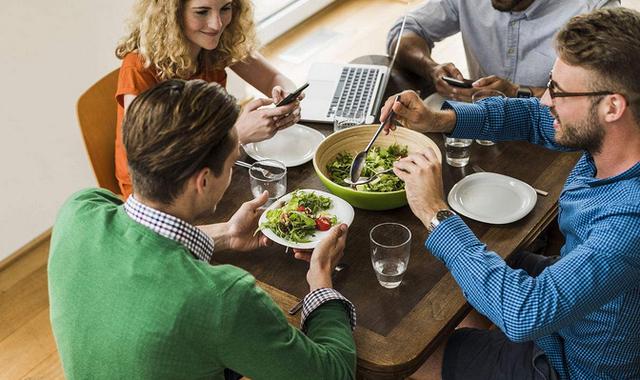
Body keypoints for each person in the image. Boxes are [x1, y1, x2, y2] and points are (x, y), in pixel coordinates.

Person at [381, 7, 640, 379]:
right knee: (453, 272)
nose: (546, 100)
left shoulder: (629, 221)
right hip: (574, 309)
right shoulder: (614, 137)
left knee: (413, 359)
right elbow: (534, 117)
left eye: (559, 91)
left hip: (573, 365)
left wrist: (435, 211)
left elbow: (525, 313)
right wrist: (440, 120)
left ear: (612, 106)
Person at [49, 79, 357, 379]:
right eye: (234, 159)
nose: (235, 162)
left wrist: (225, 235)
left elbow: (143, 235)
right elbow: (334, 374)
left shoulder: (78, 209)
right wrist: (321, 281)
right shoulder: (224, 299)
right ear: (204, 181)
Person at [114, 0, 303, 197]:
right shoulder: (138, 67)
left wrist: (288, 96)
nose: (217, 24)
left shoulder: (218, 43)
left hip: (209, 164)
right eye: (202, 12)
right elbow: (154, 158)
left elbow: (274, 78)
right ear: (172, 13)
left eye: (225, 9)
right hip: (159, 190)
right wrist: (237, 134)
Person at [387, 0, 619, 102]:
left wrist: (518, 93)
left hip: (557, 137)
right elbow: (405, 30)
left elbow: (603, 95)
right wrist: (431, 68)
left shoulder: (593, 10)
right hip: (482, 126)